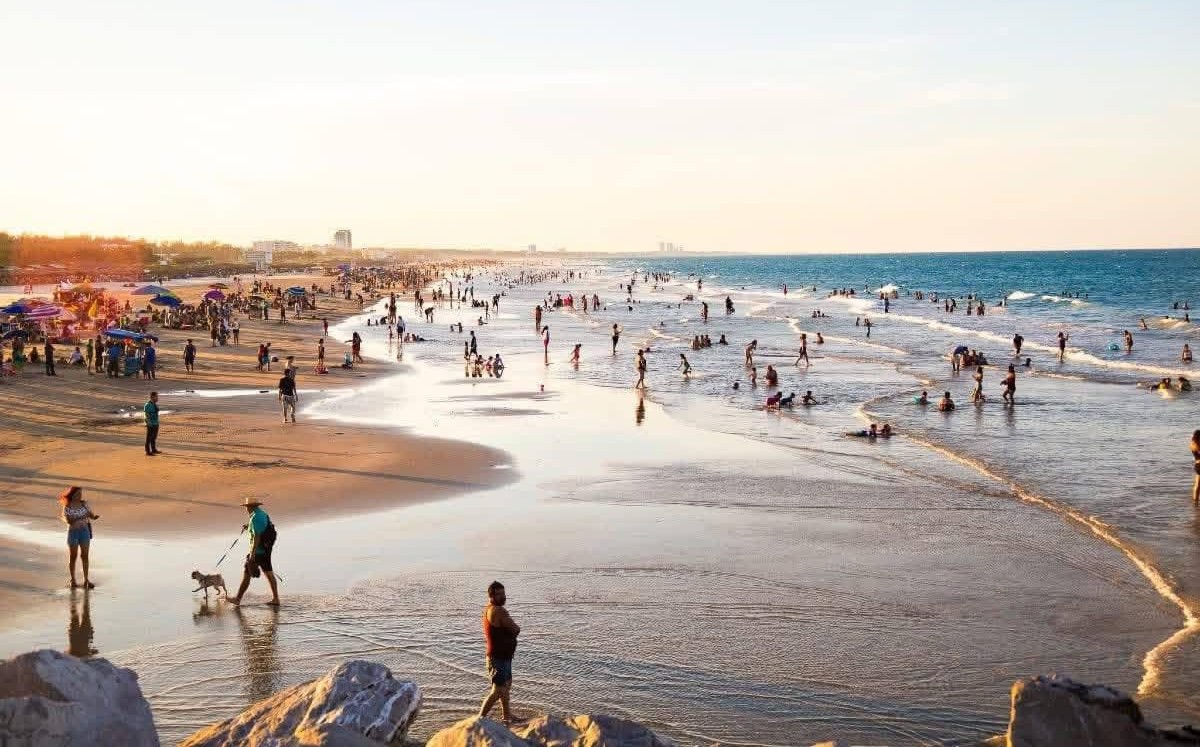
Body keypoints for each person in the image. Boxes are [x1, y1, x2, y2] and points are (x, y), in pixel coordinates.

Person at [479, 580, 520, 725]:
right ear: (491, 596)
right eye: (499, 594)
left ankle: (507, 716)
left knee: (506, 686)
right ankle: (480, 719)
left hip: (503, 656)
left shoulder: (489, 609)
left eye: (504, 593)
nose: (503, 597)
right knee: (498, 690)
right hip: (497, 658)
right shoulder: (498, 611)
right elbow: (515, 629)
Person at [229, 497, 280, 606]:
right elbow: (261, 528)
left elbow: (257, 536)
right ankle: (276, 599)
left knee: (247, 574)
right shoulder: (262, 514)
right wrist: (249, 527)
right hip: (266, 549)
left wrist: (252, 555)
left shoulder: (255, 518)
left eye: (247, 507)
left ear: (250, 507)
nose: (246, 509)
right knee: (269, 572)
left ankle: (237, 599)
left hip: (258, 551)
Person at [61, 486, 98, 589]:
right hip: (73, 532)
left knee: (85, 556)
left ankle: (86, 580)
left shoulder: (84, 504)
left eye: (80, 493)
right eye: (78, 494)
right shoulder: (67, 506)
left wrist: (93, 517)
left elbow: (90, 515)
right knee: (73, 557)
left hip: (84, 532)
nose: (80, 495)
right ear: (72, 495)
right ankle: (73, 580)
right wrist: (81, 516)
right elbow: (69, 521)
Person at [144, 392, 160, 456]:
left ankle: (153, 449)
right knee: (149, 438)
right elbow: (146, 415)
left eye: (157, 396)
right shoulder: (147, 405)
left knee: (154, 437)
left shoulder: (154, 404)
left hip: (156, 422)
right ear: (152, 397)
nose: (157, 398)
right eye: (156, 397)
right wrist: (148, 422)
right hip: (150, 423)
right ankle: (147, 451)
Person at [1192, 430, 1200, 506]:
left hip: (1197, 465)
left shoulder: (1192, 444)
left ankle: (1195, 502)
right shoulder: (1199, 445)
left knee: (1197, 485)